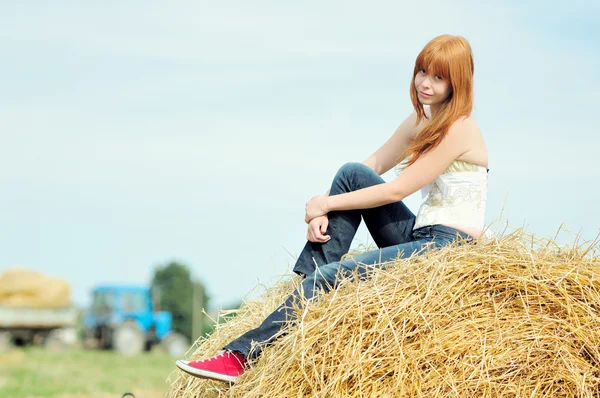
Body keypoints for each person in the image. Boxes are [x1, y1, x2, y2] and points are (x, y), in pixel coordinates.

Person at [175, 34, 489, 383]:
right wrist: (319, 209)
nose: (425, 83)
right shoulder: (420, 121)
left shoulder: (461, 128)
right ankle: (306, 287)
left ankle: (240, 357)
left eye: (438, 77)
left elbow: (397, 190)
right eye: (422, 72)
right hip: (419, 234)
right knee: (352, 172)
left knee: (329, 278)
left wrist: (325, 203)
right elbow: (373, 164)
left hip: (448, 247)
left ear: (457, 82)